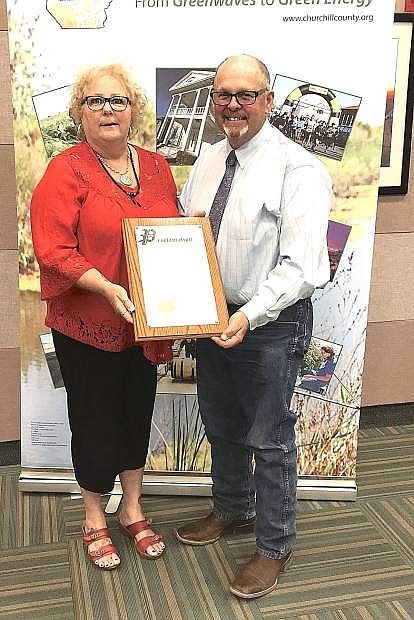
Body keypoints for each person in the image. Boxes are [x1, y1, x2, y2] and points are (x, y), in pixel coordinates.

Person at [175, 54, 332, 599]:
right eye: (223, 94)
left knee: (268, 439)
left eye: (246, 94)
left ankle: (273, 545)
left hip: (267, 324)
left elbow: (305, 267)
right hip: (210, 318)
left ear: (268, 99)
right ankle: (230, 511)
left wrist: (246, 314)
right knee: (220, 424)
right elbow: (188, 231)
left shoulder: (300, 169)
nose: (232, 105)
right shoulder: (208, 160)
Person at [30, 64, 179, 569]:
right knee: (94, 417)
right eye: (95, 101)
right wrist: (105, 286)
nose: (108, 110)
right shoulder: (64, 170)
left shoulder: (157, 167)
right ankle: (95, 514)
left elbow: (171, 231)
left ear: (133, 109)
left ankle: (132, 507)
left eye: (117, 100)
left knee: (136, 409)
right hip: (89, 320)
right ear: (80, 112)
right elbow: (52, 250)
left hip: (146, 320)